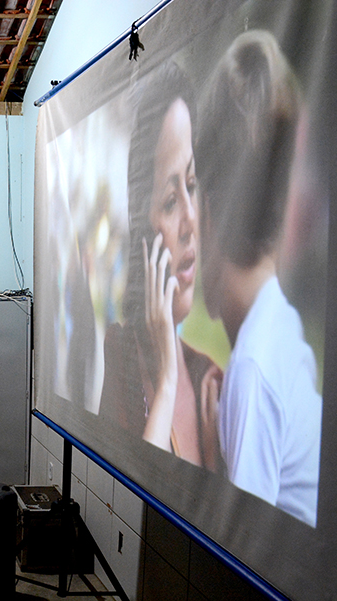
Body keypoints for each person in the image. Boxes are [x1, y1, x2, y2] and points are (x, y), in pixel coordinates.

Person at [195, 30, 320, 527]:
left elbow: (241, 549)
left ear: (210, 207)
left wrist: (210, 459)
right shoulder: (281, 325)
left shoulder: (251, 371)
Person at [99, 62, 222, 471]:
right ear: (141, 229)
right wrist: (166, 382)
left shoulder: (211, 380)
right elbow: (126, 494)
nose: (190, 221)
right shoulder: (122, 355)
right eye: (170, 201)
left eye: (192, 185)